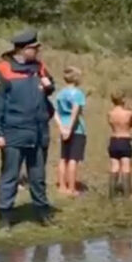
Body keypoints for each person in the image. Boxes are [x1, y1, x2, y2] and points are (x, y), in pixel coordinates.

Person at [0, 29, 55, 231]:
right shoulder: (2, 71)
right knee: (10, 176)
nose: (38, 51)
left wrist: (49, 86)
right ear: (23, 49)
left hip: (38, 131)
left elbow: (51, 85)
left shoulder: (39, 67)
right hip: (14, 131)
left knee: (38, 176)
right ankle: (5, 217)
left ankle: (42, 212)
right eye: (34, 48)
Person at [54, 66, 87, 197]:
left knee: (63, 158)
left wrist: (62, 127)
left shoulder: (60, 94)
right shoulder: (78, 93)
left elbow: (55, 112)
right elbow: (75, 111)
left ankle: (62, 186)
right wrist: (70, 128)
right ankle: (71, 188)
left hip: (63, 126)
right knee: (73, 159)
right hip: (77, 129)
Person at [107, 89, 132, 198]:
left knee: (114, 167)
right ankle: (127, 194)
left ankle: (112, 194)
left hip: (114, 140)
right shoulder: (128, 113)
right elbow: (131, 124)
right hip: (125, 140)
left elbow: (111, 124)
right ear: (123, 99)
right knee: (126, 167)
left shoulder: (110, 113)